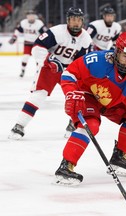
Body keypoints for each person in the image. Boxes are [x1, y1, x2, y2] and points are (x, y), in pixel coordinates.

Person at [54, 32, 126, 186]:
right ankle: (66, 166)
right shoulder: (97, 60)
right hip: (89, 96)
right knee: (91, 125)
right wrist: (71, 93)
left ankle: (119, 157)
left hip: (112, 105)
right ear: (117, 51)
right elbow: (70, 73)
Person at [8, 7, 92, 140]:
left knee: (77, 96)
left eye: (79, 20)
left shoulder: (86, 38)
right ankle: (19, 125)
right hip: (49, 67)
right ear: (68, 20)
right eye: (73, 19)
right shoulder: (57, 31)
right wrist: (49, 60)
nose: (76, 23)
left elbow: (82, 61)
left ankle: (73, 124)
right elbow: (37, 47)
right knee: (38, 95)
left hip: (69, 70)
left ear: (82, 21)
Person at [8, 10, 48, 77]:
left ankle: (39, 72)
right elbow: (18, 30)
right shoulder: (23, 22)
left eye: (32, 15)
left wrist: (46, 41)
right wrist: (14, 37)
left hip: (37, 44)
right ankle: (22, 71)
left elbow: (45, 33)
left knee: (38, 59)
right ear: (27, 16)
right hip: (27, 43)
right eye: (29, 16)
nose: (30, 17)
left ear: (35, 16)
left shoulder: (39, 23)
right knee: (25, 57)